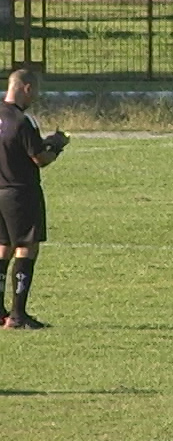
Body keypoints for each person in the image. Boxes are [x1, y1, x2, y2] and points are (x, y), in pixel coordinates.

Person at [0, 69, 70, 329]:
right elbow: (40, 158)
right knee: (26, 248)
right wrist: (56, 144)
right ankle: (18, 316)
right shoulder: (22, 120)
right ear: (27, 88)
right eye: (36, 91)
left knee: (3, 246)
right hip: (20, 192)